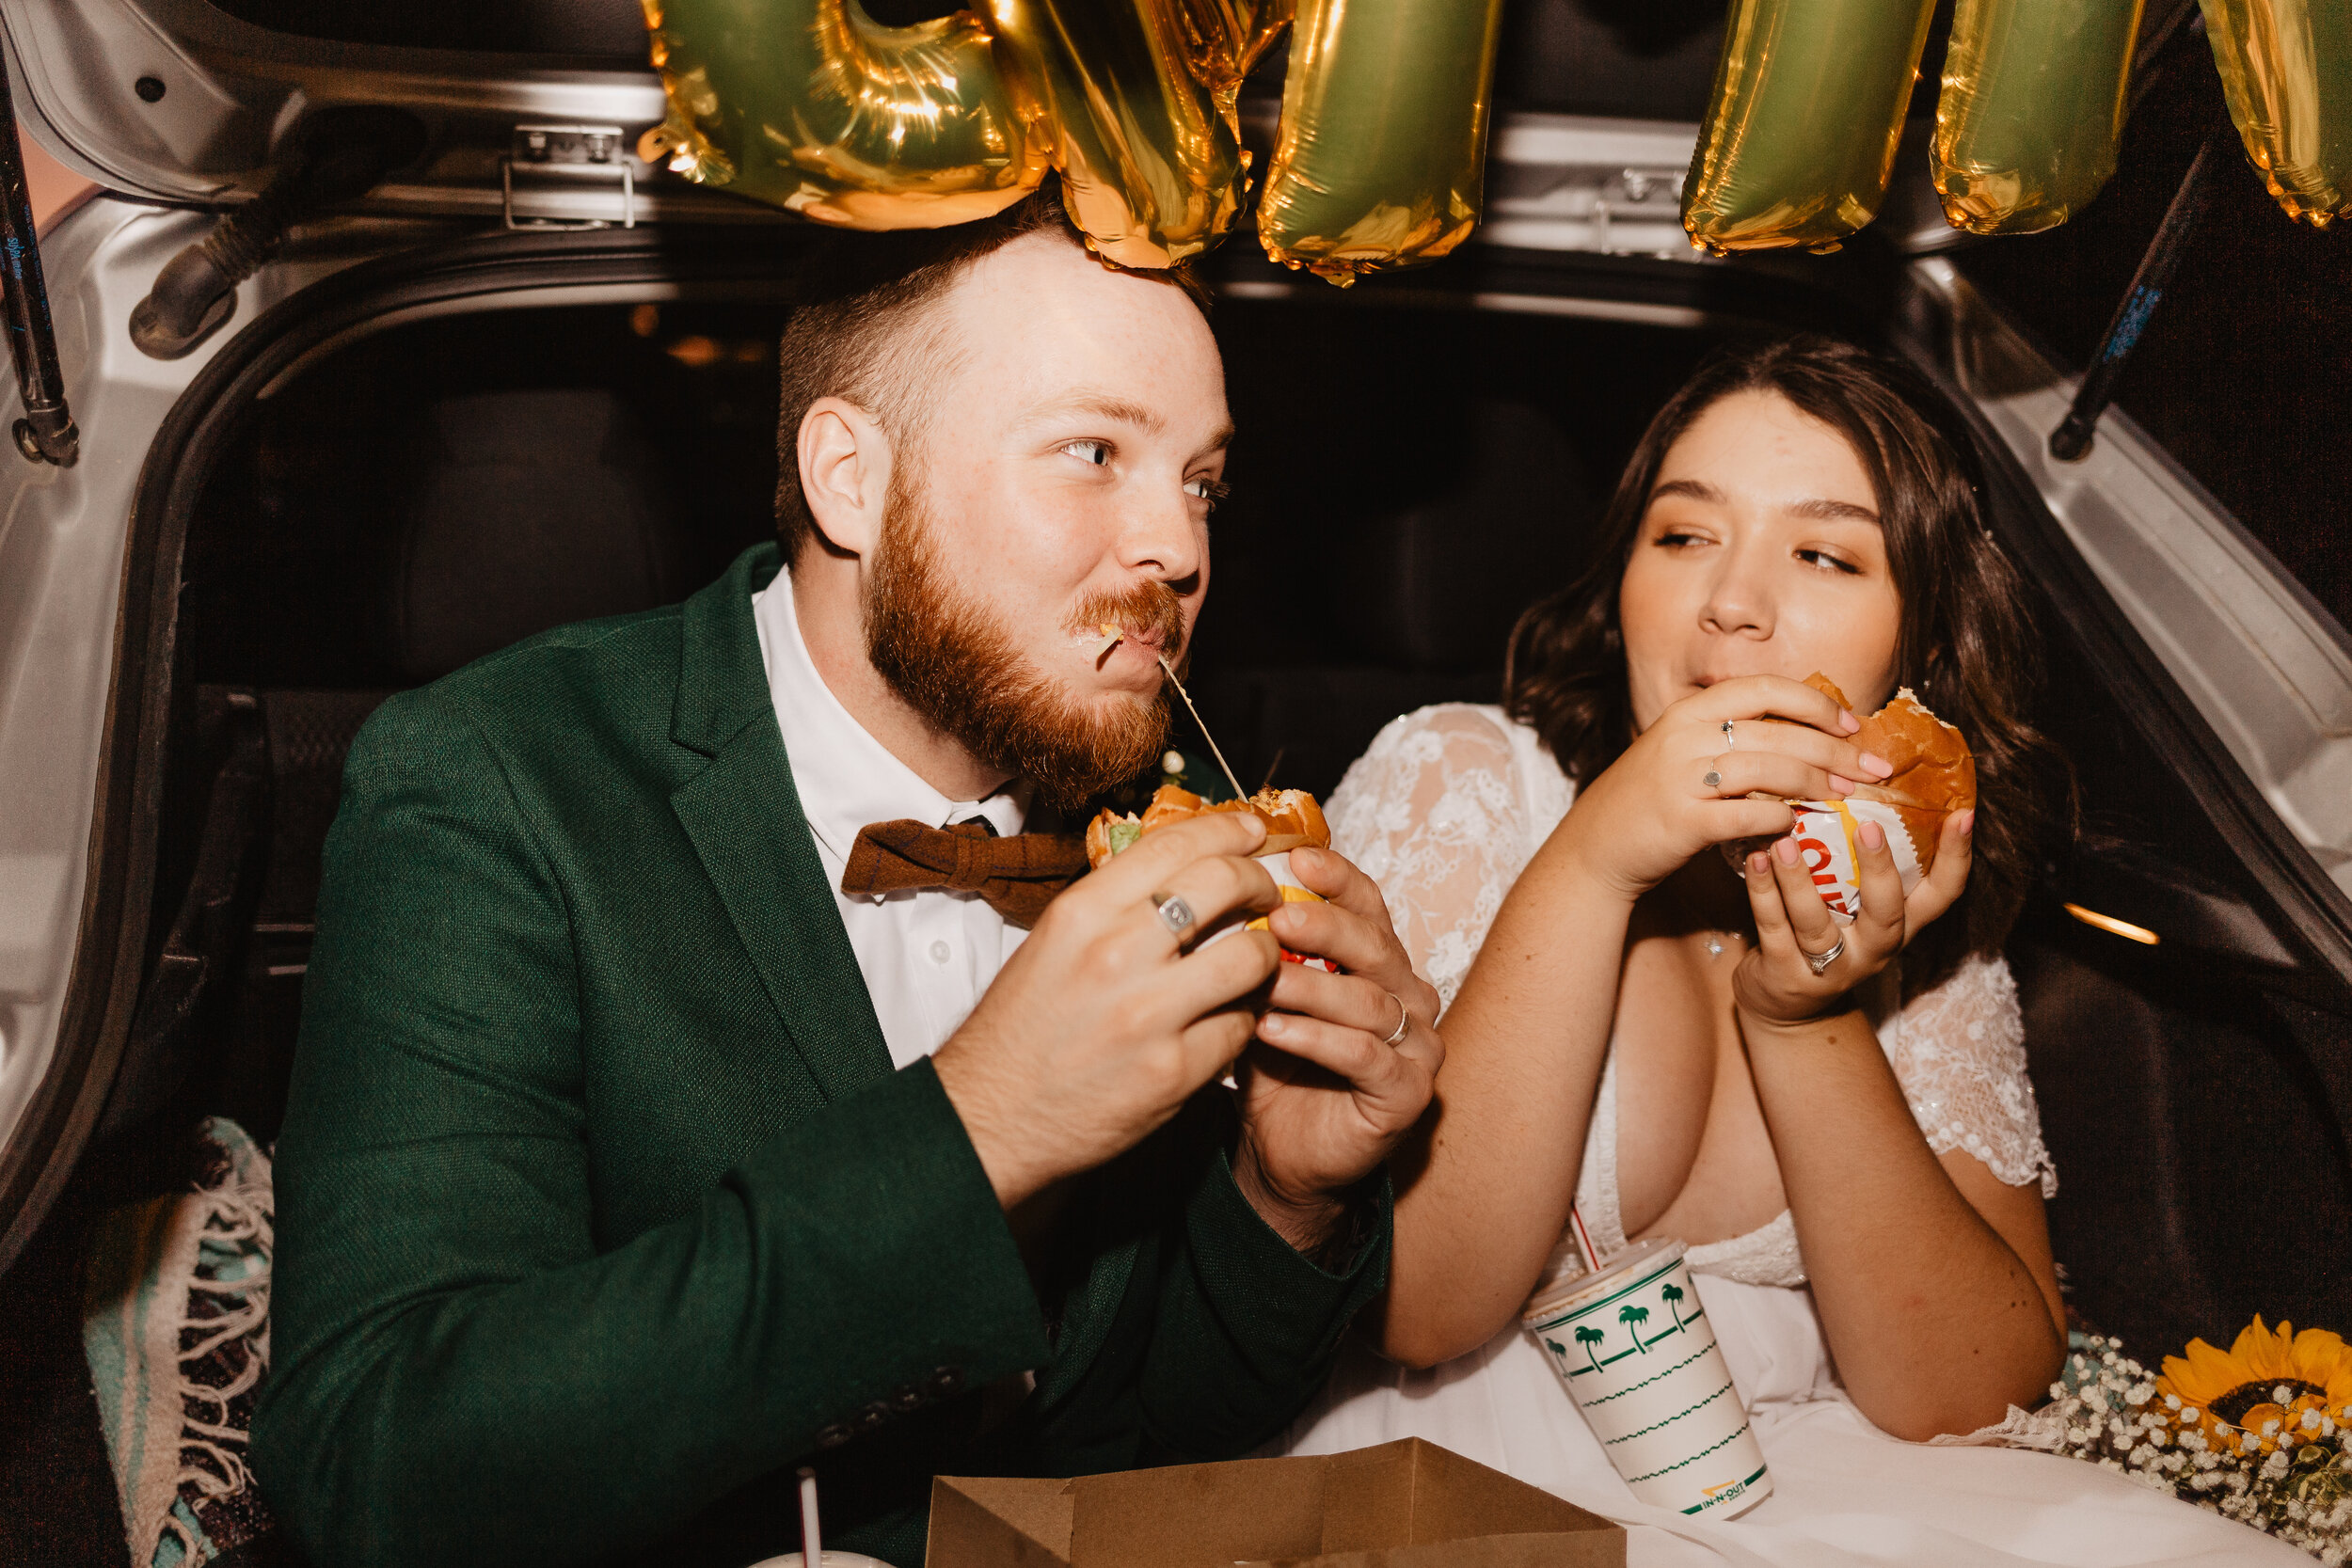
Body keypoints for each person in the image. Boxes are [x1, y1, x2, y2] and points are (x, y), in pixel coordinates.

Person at [251, 182, 1443, 1568]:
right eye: (1093, 451)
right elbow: (377, 1464)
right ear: (849, 479)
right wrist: (984, 1129)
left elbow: (1131, 1450)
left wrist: (1287, 1197)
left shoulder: (1152, 834)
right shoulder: (494, 781)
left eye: (1201, 481)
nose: (1178, 549)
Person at [1284, 338, 2307, 1564]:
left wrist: (1805, 1017)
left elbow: (1965, 1391)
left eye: (1822, 553)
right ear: (1621, 585)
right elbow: (1419, 1307)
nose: (1732, 602)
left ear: (1918, 651)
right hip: (1458, 1485)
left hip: (1812, 1489)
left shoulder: (1904, 899)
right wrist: (1596, 858)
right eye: (1682, 535)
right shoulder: (1465, 783)